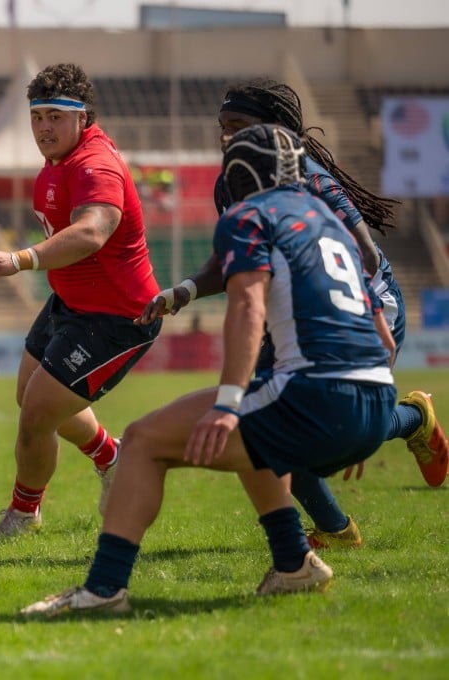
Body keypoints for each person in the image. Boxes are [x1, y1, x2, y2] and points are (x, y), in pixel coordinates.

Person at [22, 124, 398, 617]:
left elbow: (246, 307)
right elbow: (383, 337)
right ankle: (293, 565)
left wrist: (227, 404)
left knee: (142, 442)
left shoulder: (249, 214)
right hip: (373, 399)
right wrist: (364, 413)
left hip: (317, 396)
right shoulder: (331, 224)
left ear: (238, 175)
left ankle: (103, 589)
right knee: (259, 445)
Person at [137, 78, 448, 550]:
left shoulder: (312, 181)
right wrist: (184, 291)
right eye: (222, 126)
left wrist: (368, 343)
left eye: (238, 125)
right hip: (304, 317)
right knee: (283, 424)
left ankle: (406, 420)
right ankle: (338, 528)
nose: (225, 137)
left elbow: (364, 253)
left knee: (299, 423)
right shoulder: (231, 183)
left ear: (275, 131)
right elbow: (233, 261)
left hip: (364, 310)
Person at [0, 63, 161, 538]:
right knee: (29, 399)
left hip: (117, 316)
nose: (43, 128)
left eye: (56, 116)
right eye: (37, 117)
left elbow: (93, 231)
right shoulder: (56, 164)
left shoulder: (95, 164)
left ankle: (24, 513)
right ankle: (110, 457)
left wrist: (20, 260)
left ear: (83, 117)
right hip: (69, 304)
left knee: (37, 413)